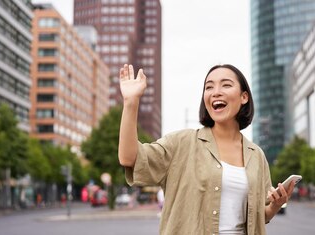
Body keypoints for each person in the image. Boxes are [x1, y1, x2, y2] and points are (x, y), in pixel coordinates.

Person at [118, 64, 295, 234]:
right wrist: (131, 102)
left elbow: (258, 216)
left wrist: (275, 205)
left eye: (226, 85)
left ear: (244, 97)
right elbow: (129, 159)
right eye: (209, 87)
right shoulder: (182, 143)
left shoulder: (256, 155)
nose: (216, 92)